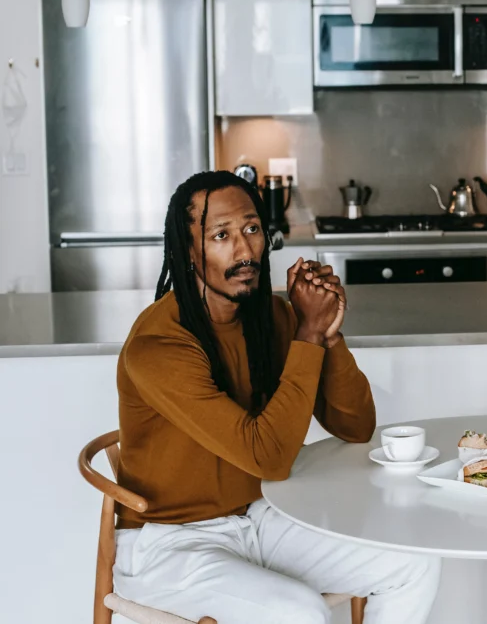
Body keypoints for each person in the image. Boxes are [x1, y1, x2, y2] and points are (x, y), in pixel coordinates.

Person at [113, 172, 441, 624]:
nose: (244, 250)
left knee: (413, 562)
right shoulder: (159, 345)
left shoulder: (271, 316)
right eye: (221, 235)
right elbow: (268, 457)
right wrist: (306, 331)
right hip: (170, 543)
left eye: (251, 230)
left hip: (259, 519)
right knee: (299, 612)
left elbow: (355, 426)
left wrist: (325, 333)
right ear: (189, 252)